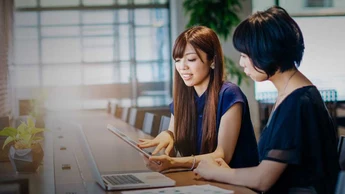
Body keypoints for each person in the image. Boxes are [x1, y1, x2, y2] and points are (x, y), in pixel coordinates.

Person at [193, 6, 340, 194]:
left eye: (245, 55)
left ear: (266, 52)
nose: (241, 62)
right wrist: (225, 172)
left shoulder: (297, 102)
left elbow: (263, 180)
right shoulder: (294, 94)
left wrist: (212, 172)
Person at [137, 26, 259, 172]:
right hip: (203, 181)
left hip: (237, 185)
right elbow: (172, 131)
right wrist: (167, 135)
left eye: (191, 59)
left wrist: (173, 162)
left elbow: (222, 156)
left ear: (212, 60)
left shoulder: (229, 94)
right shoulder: (183, 98)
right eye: (178, 60)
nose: (182, 66)